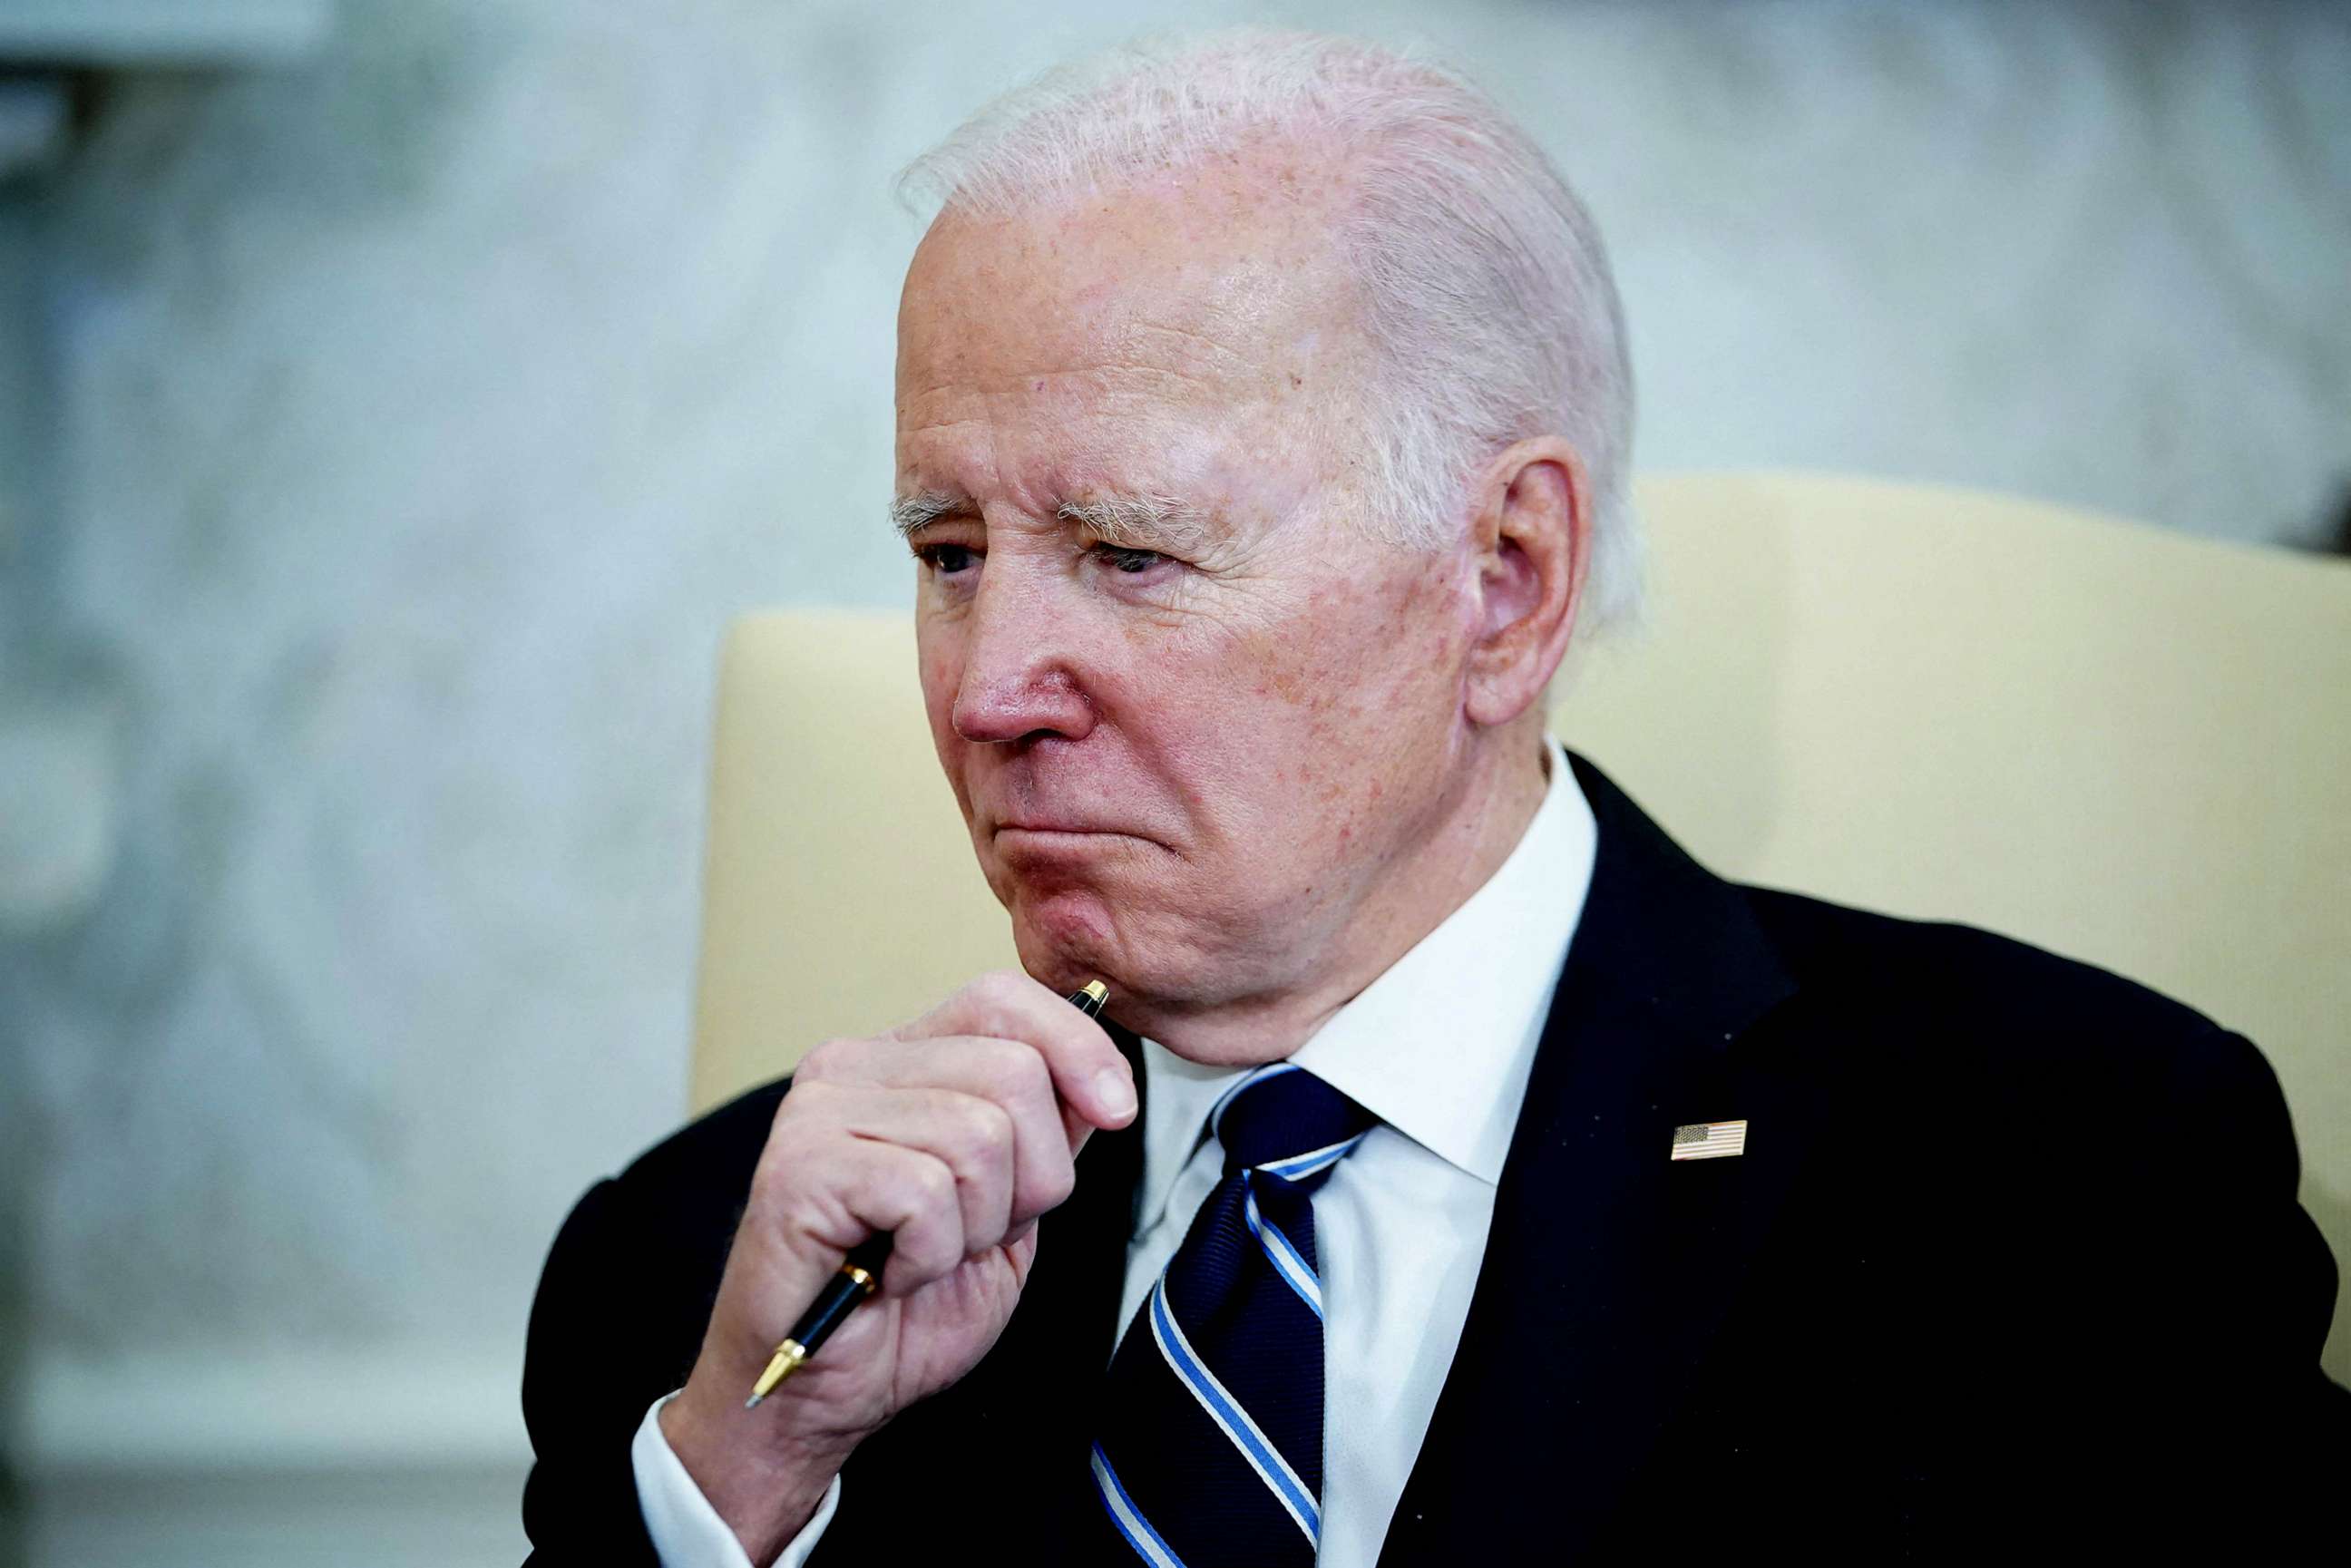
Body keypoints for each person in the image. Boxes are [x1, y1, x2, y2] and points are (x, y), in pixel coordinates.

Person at [520, 31, 2344, 1567]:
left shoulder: (2060, 1175)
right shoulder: (711, 1290)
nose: (989, 688)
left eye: (1132, 551)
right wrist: (749, 1479)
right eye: (948, 548)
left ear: (1505, 578)